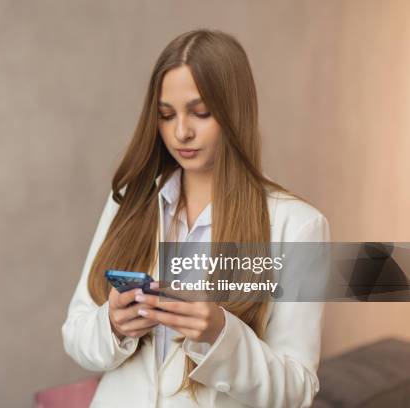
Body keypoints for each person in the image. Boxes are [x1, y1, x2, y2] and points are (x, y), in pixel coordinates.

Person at [61, 28, 330, 408]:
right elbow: (75, 336)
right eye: (166, 116)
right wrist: (113, 325)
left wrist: (222, 336)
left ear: (235, 112)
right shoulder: (129, 202)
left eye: (201, 113)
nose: (181, 132)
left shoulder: (298, 227)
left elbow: (297, 389)